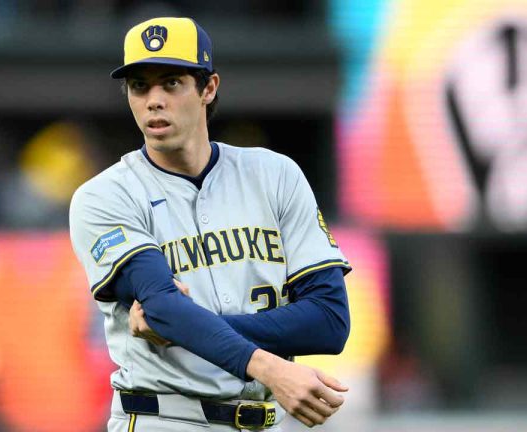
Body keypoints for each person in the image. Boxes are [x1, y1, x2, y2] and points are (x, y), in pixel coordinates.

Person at [69, 17, 352, 431]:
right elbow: (163, 304)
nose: (153, 100)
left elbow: (329, 321)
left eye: (171, 83)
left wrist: (187, 325)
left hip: (262, 421)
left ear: (209, 88)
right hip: (162, 418)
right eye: (139, 86)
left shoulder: (274, 174)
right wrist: (270, 368)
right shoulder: (105, 195)